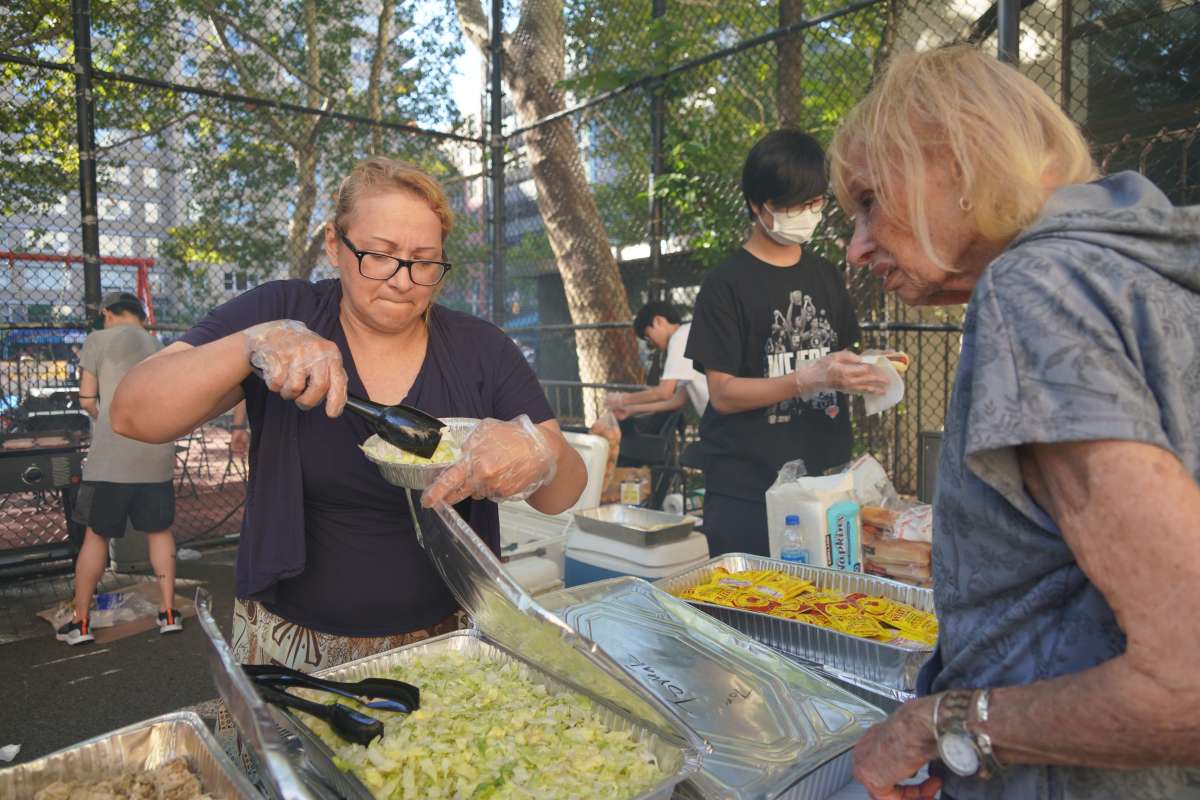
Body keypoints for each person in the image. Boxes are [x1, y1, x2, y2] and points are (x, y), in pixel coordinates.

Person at [829, 45, 1200, 800]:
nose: (856, 244)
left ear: (961, 159)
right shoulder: (1141, 274)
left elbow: (1187, 678)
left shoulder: (1035, 289)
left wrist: (939, 723)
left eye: (870, 201)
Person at [110, 156, 586, 671]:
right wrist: (252, 343)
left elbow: (562, 493)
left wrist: (543, 452)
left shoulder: (482, 350)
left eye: (424, 261)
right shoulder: (284, 311)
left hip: (451, 635)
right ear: (336, 244)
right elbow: (133, 412)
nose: (404, 281)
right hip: (294, 636)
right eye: (380, 256)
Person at [684, 129, 887, 557]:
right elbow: (722, 394)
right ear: (759, 207)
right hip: (747, 490)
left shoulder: (827, 276)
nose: (808, 213)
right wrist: (803, 380)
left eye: (814, 202)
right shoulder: (725, 285)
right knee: (748, 614)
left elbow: (840, 358)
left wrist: (873, 369)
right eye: (793, 205)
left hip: (824, 485)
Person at [58, 292, 180, 646]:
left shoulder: (97, 339)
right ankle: (169, 613)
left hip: (111, 458)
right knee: (159, 532)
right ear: (141, 316)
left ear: (108, 314)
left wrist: (106, 418)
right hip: (156, 453)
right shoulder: (159, 344)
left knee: (96, 536)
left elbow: (86, 399)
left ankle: (81, 623)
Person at [605, 300, 708, 419]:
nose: (651, 343)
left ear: (658, 321)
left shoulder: (679, 338)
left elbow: (664, 392)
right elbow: (676, 400)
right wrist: (631, 409)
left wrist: (622, 399)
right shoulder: (687, 334)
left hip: (723, 420)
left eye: (648, 337)